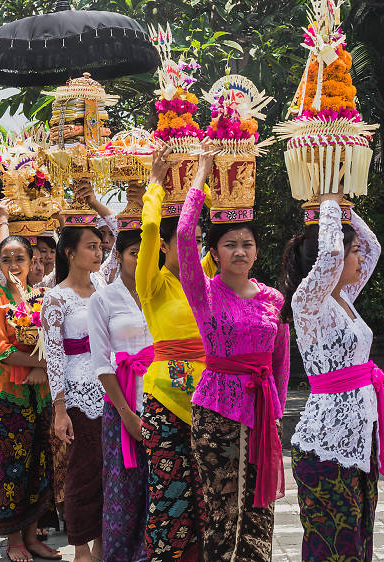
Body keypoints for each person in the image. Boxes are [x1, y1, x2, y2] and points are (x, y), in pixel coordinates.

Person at [177, 151, 290, 561]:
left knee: (260, 511)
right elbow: (185, 236)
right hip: (216, 411)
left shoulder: (273, 298)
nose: (240, 251)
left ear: (257, 251)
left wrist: (276, 408)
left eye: (247, 244)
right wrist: (202, 177)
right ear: (217, 253)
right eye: (230, 245)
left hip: (262, 412)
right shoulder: (204, 292)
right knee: (224, 513)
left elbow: (280, 357)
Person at [280, 189, 384, 561]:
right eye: (352, 250)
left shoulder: (345, 299)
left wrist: (346, 206)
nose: (360, 256)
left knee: (358, 543)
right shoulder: (309, 303)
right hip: (324, 445)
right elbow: (329, 255)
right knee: (333, 549)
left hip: (361, 438)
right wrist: (326, 202)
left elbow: (373, 247)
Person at [135, 147, 215, 561]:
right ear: (167, 248)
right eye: (187, 241)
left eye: (200, 242)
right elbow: (150, 231)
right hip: (165, 400)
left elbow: (222, 241)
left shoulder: (207, 278)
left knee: (210, 496)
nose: (194, 247)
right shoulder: (153, 284)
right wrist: (156, 183)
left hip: (210, 398)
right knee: (169, 498)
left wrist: (221, 177)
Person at [0, 235, 61, 562]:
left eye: (20, 258)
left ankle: (33, 535)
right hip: (9, 395)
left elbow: (57, 336)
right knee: (13, 465)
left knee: (41, 463)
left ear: (33, 263)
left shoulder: (43, 297)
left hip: (42, 394)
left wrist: (47, 364)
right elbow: (2, 351)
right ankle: (14, 539)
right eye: (7, 259)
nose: (14, 265)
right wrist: (44, 362)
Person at [42, 221, 106, 562]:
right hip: (78, 393)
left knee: (110, 469)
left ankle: (102, 546)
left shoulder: (103, 285)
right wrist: (60, 409)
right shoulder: (55, 298)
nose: (98, 252)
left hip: (112, 388)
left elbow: (125, 235)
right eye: (91, 247)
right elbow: (54, 356)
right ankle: (81, 548)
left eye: (99, 247)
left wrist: (95, 204)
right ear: (70, 253)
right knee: (81, 471)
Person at [88, 228, 152, 562]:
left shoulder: (164, 292)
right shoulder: (104, 299)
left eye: (148, 251)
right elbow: (101, 364)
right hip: (121, 403)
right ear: (121, 256)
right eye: (134, 252)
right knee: (122, 489)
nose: (141, 258)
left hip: (161, 399)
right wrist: (127, 415)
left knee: (159, 486)